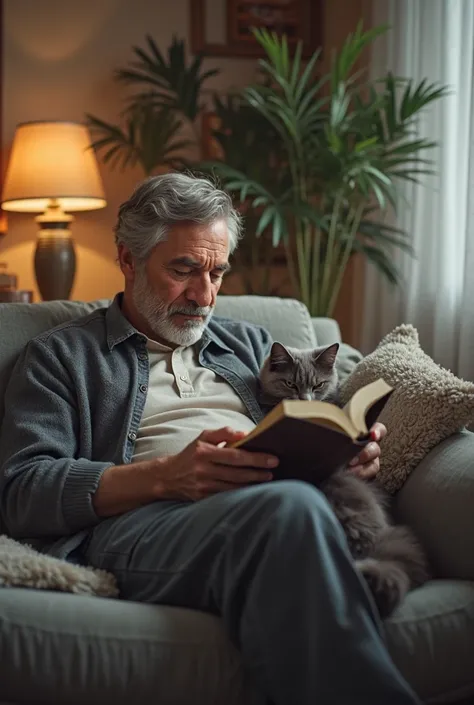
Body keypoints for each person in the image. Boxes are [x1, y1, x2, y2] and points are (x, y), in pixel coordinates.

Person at [0, 173, 420, 705]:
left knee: (292, 504)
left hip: (283, 501)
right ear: (129, 260)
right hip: (146, 523)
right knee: (286, 509)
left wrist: (343, 452)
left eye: (217, 272)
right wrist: (162, 477)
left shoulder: (248, 343)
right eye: (183, 270)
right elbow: (22, 491)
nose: (205, 295)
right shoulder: (61, 358)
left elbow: (299, 420)